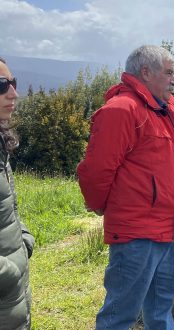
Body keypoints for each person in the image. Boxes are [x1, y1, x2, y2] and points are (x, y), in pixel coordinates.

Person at [77, 45, 174, 329]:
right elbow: (96, 170)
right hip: (136, 232)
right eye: (169, 73)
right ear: (145, 72)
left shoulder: (166, 111)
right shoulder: (122, 109)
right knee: (120, 315)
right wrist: (101, 206)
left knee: (162, 311)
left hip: (168, 229)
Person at [0, 57, 35, 330]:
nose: (14, 93)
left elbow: (7, 208)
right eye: (2, 85)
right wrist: (9, 272)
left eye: (13, 83)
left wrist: (22, 239)